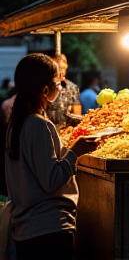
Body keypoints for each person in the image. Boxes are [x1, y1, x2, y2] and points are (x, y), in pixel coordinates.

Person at [5, 53, 97, 260]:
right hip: (48, 230)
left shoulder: (18, 124)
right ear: (46, 90)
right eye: (58, 82)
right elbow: (51, 180)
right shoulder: (39, 125)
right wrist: (76, 151)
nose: (61, 87)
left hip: (28, 229)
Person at [45, 53, 81, 128]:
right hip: (48, 129)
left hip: (67, 131)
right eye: (59, 69)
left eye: (64, 69)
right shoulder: (45, 87)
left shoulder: (72, 88)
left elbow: (77, 113)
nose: (62, 72)